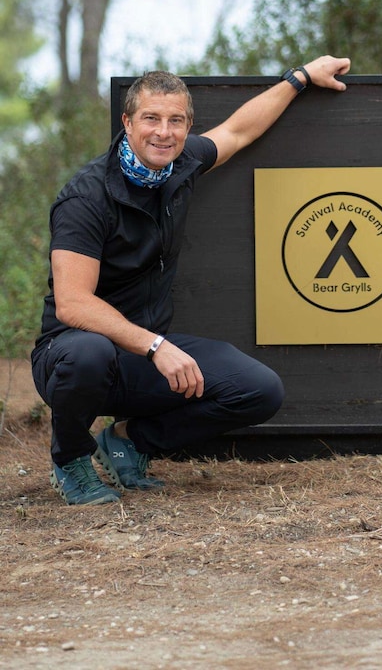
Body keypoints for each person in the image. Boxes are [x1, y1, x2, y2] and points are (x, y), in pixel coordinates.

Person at [31, 55, 351, 505]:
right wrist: (157, 347)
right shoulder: (86, 197)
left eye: (176, 120)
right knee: (89, 353)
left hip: (141, 355)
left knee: (259, 390)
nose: (164, 132)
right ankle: (70, 461)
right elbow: (72, 304)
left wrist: (300, 78)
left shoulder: (180, 164)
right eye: (151, 118)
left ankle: (128, 441)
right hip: (71, 355)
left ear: (187, 126)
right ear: (127, 122)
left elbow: (237, 132)